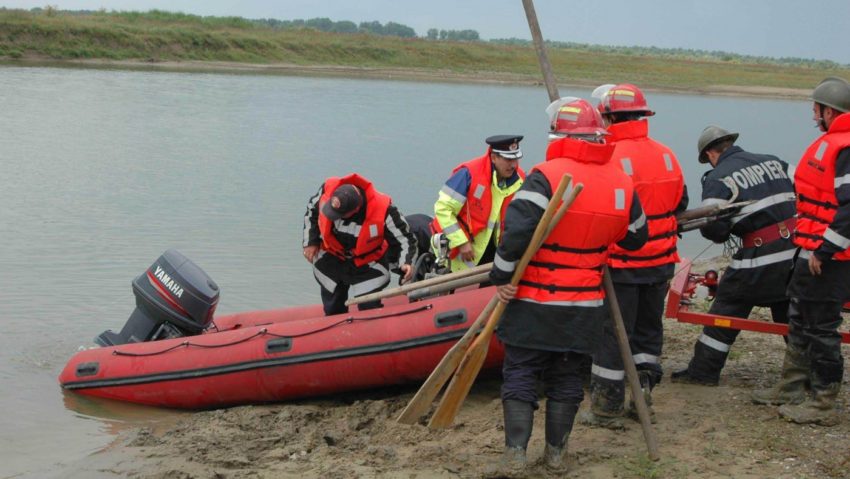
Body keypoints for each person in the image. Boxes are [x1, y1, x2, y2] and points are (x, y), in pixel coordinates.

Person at [489, 98, 648, 473]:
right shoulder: (621, 180)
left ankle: (515, 455)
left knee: (522, 373)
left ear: (558, 135)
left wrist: (502, 277)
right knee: (567, 378)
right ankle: (557, 455)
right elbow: (636, 238)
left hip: (533, 300)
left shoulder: (545, 175)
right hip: (585, 306)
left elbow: (515, 236)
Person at [580, 83, 688, 428]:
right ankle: (642, 395)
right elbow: (680, 204)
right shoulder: (667, 154)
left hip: (621, 263)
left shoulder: (607, 154)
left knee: (614, 334)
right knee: (646, 331)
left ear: (608, 116)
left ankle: (606, 406)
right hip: (661, 262)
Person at [752, 76, 850, 426]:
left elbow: (848, 210)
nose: (812, 113)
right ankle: (792, 386)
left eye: (816, 108)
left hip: (831, 258)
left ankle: (823, 403)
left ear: (830, 111)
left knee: (822, 328)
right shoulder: (832, 142)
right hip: (810, 249)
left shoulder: (845, 148)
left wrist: (823, 253)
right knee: (799, 316)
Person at [671, 127, 796, 386]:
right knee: (788, 310)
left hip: (762, 258)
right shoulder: (773, 161)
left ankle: (703, 372)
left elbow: (715, 229)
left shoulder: (718, 177)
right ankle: (808, 373)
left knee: (728, 303)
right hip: (796, 252)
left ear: (710, 154)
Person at [302, 173, 416, 316]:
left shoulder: (385, 210)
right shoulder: (328, 190)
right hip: (332, 258)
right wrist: (310, 242)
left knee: (369, 307)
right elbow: (311, 212)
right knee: (333, 308)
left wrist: (406, 263)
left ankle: (370, 330)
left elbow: (404, 239)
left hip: (367, 263)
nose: (333, 216)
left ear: (354, 210)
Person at [430, 135, 526, 272]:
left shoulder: (520, 180)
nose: (513, 165)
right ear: (493, 158)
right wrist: (461, 242)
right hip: (457, 254)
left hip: (493, 255)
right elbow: (442, 209)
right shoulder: (468, 174)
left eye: (516, 159)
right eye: (508, 159)